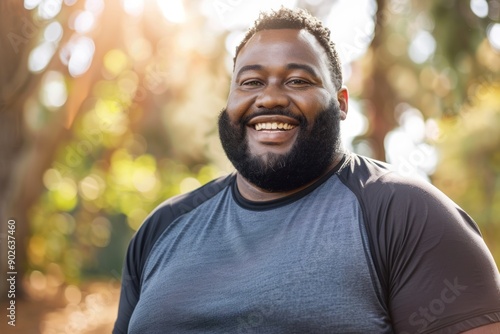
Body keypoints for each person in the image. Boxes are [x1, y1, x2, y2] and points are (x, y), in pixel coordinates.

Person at [113, 7, 500, 334]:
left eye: (298, 80)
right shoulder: (162, 229)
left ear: (342, 103)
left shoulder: (407, 215)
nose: (269, 97)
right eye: (250, 82)